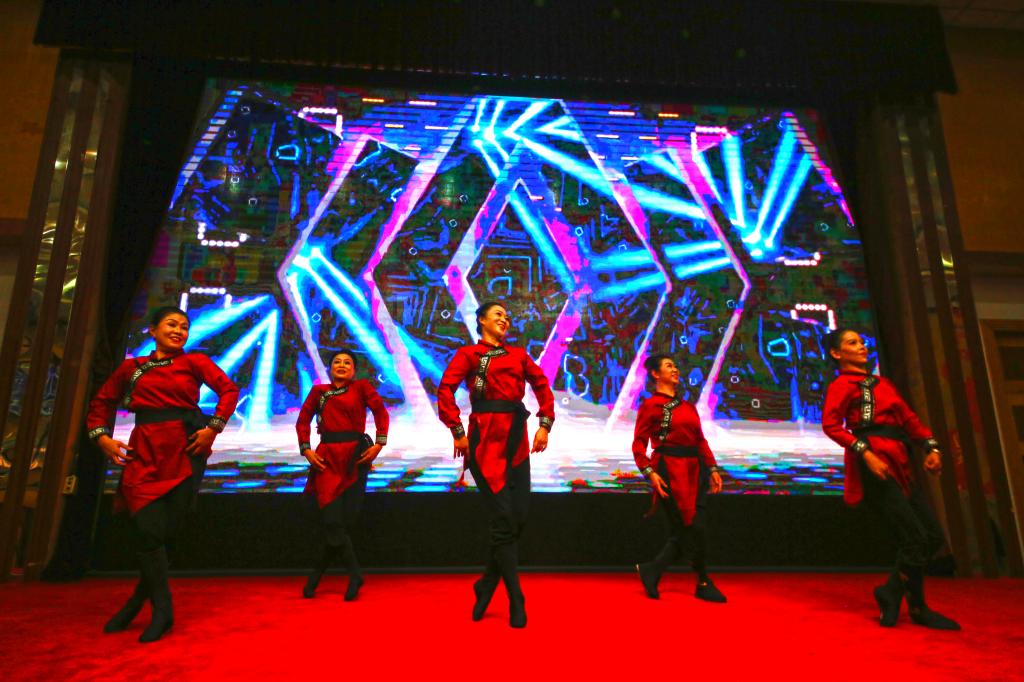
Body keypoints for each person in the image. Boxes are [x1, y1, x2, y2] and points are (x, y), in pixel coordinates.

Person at [86, 306, 238, 643]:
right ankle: (161, 609)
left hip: (185, 449)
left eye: (184, 327)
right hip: (144, 451)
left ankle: (137, 604)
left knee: (163, 534)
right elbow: (101, 403)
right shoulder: (131, 367)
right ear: (153, 330)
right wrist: (102, 438)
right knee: (146, 531)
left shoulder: (194, 361)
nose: (179, 331)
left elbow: (229, 390)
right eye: (171, 324)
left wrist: (213, 428)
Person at [822, 328, 959, 630]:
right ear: (836, 353)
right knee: (914, 538)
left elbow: (909, 419)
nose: (862, 346)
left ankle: (892, 592)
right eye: (852, 343)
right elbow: (831, 425)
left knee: (932, 537)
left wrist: (931, 447)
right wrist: (866, 454)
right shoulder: (840, 386)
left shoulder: (884, 384)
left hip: (900, 459)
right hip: (875, 463)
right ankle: (917, 607)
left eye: (862, 342)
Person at [436, 301, 554, 628]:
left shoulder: (518, 355)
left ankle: (487, 582)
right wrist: (457, 431)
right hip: (485, 439)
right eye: (497, 314)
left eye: (506, 316)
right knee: (503, 519)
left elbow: (542, 385)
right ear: (481, 321)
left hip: (516, 438)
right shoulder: (469, 354)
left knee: (519, 517)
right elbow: (445, 390)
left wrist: (544, 424)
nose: (505, 318)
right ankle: (516, 598)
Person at [295, 349, 388, 600]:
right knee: (332, 520)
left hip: (355, 457)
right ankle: (354, 574)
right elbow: (302, 421)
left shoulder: (362, 388)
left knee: (342, 522)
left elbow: (381, 412)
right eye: (337, 362)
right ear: (330, 367)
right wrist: (306, 450)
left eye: (348, 362)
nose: (342, 365)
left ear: (354, 370)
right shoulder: (319, 392)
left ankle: (315, 579)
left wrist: (379, 444)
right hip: (326, 458)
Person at [633, 353, 726, 602]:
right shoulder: (651, 406)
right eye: (668, 366)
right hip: (669, 469)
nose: (675, 369)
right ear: (655, 374)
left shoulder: (688, 407)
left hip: (696, 470)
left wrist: (712, 468)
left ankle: (653, 570)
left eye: (675, 365)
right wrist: (650, 473)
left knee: (695, 528)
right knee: (689, 528)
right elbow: (639, 444)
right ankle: (702, 581)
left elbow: (700, 440)